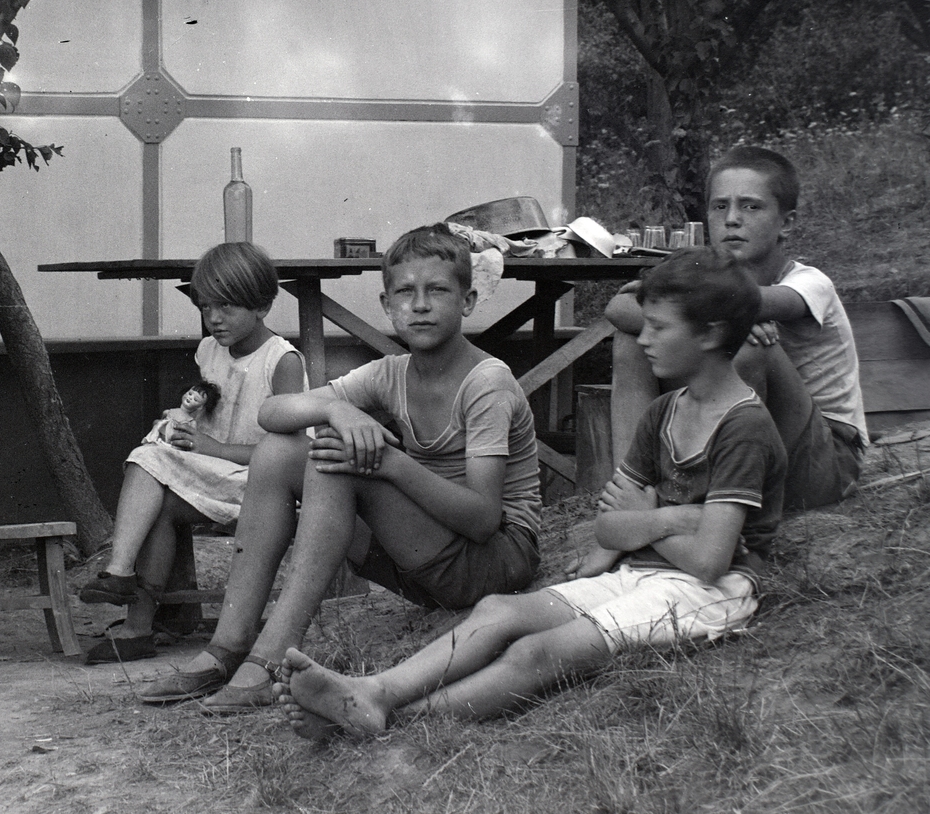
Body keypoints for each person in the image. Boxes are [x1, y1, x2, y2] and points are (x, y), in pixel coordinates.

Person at [277, 247, 786, 735]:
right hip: (638, 570)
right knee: (499, 612)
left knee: (535, 653)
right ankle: (376, 692)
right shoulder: (664, 411)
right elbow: (608, 525)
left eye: (659, 326)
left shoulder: (742, 428)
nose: (643, 337)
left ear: (710, 334)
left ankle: (397, 719)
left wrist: (645, 522)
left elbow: (709, 562)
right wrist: (669, 520)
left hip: (708, 593)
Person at [137, 225, 541, 711]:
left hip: (492, 563)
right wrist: (335, 410)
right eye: (404, 293)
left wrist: (390, 463)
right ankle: (227, 647)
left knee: (337, 460)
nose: (420, 305)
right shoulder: (390, 373)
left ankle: (269, 661)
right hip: (424, 560)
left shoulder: (487, 384)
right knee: (280, 450)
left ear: (468, 300)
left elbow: (482, 520)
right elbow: (274, 413)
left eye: (437, 290)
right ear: (386, 303)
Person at [78, 243, 305, 664]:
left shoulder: (281, 361)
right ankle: (132, 612)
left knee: (149, 466)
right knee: (154, 468)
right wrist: (183, 426)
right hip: (209, 474)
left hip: (258, 486)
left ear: (262, 305)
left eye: (227, 307)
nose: (214, 318)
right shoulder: (210, 350)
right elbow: (209, 412)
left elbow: (293, 454)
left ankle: (123, 580)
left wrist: (213, 448)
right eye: (206, 307)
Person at [607, 146, 865, 511]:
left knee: (743, 348)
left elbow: (752, 305)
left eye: (751, 206)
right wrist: (737, 325)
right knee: (635, 341)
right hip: (754, 440)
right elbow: (618, 307)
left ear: (786, 223)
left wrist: (733, 326)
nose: (732, 219)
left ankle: (720, 513)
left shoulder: (810, 283)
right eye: (719, 206)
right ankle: (630, 492)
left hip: (821, 459)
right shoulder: (707, 279)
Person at [142, 380, 223, 446]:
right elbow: (162, 419)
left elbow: (191, 437)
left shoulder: (191, 421)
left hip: (173, 442)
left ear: (200, 407)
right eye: (190, 393)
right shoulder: (170, 411)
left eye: (195, 399)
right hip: (162, 436)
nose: (190, 398)